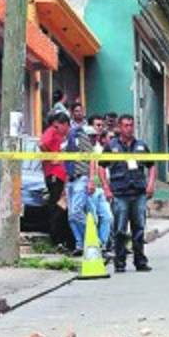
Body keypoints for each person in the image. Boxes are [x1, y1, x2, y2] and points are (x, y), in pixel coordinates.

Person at [107, 115, 157, 272]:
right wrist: (106, 188)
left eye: (131, 125)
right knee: (120, 230)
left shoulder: (141, 146)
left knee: (139, 228)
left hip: (138, 193)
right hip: (120, 193)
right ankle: (120, 262)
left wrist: (150, 184)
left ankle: (140, 261)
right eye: (126, 125)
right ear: (120, 127)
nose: (129, 128)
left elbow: (152, 165)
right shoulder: (111, 146)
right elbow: (101, 167)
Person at [65, 110, 113, 260]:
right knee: (75, 215)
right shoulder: (75, 145)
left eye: (95, 134)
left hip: (98, 187)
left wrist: (105, 186)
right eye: (90, 134)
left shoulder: (101, 149)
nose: (94, 137)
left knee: (106, 217)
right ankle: (86, 243)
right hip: (86, 184)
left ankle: (101, 243)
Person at [39, 112, 73, 249]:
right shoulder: (52, 131)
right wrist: (51, 157)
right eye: (66, 125)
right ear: (61, 124)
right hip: (55, 175)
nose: (67, 129)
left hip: (62, 175)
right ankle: (56, 238)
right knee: (57, 207)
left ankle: (63, 239)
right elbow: (42, 144)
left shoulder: (62, 136)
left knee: (63, 206)